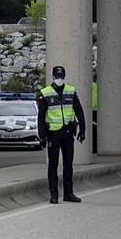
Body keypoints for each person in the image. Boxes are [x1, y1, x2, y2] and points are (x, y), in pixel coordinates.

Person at [36, 65, 85, 204]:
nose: (59, 79)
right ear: (52, 77)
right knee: (53, 164)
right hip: (53, 133)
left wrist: (83, 130)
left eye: (61, 77)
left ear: (65, 76)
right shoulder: (45, 93)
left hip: (68, 132)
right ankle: (54, 195)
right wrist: (42, 136)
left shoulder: (71, 91)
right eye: (57, 77)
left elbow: (79, 111)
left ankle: (68, 194)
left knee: (68, 164)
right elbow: (41, 117)